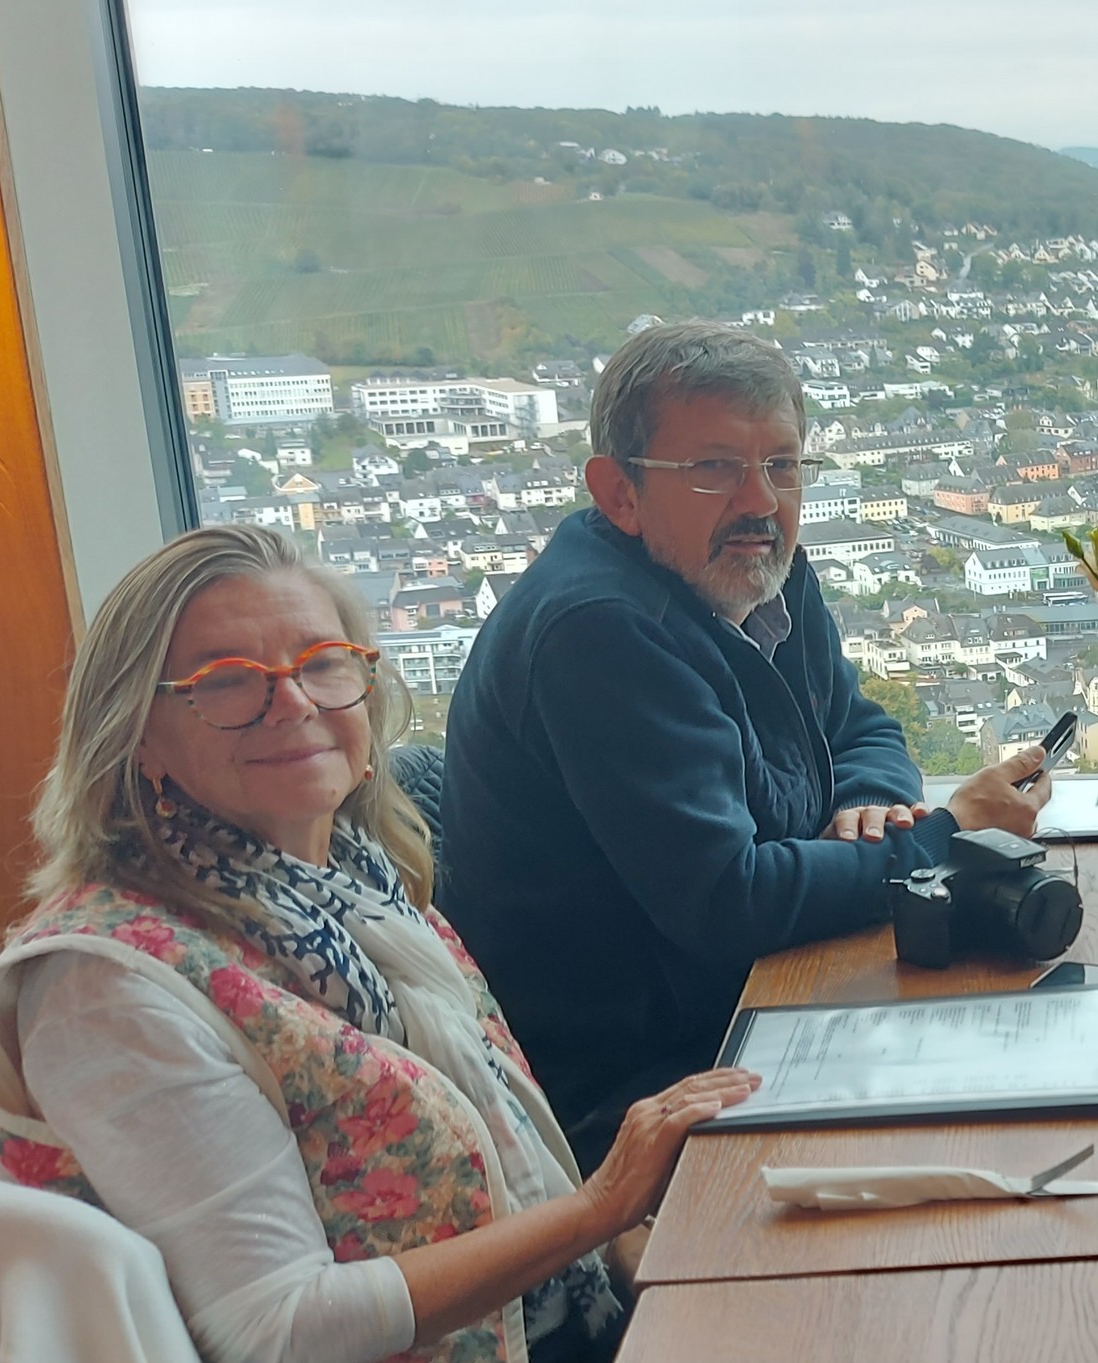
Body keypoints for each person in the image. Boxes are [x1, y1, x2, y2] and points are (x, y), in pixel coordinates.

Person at [0, 525, 758, 1363]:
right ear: (139, 736)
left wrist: (640, 1254)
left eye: (321, 664)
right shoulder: (109, 988)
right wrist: (601, 1208)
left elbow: (496, 1153)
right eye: (230, 684)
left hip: (525, 1356)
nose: (292, 704)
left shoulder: (353, 890)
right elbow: (275, 1332)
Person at [443, 321, 1046, 1155]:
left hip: (760, 1006)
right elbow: (728, 901)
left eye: (782, 465)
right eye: (714, 468)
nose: (760, 501)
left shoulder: (758, 569)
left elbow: (858, 724)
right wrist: (945, 833)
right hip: (639, 1090)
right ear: (619, 491)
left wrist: (872, 802)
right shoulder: (601, 633)